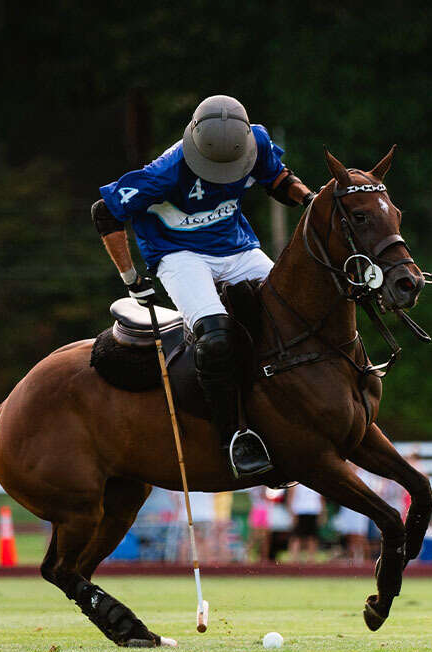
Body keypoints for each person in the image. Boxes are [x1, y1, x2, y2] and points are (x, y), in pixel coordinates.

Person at [92, 94, 314, 479]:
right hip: (179, 254)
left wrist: (311, 200)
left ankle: (294, 413)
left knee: (294, 310)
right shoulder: (165, 172)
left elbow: (278, 178)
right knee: (215, 337)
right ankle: (233, 438)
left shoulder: (256, 141)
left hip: (236, 247)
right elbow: (105, 212)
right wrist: (131, 279)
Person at [287, 483, 324, 564]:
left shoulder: (316, 482)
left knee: (312, 536)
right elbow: (290, 497)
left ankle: (311, 558)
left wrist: (322, 513)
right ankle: (294, 558)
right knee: (296, 536)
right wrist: (292, 513)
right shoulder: (295, 483)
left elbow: (320, 498)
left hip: (313, 510)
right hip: (300, 511)